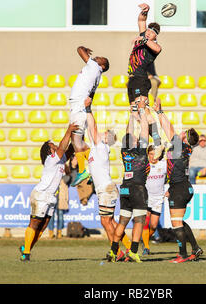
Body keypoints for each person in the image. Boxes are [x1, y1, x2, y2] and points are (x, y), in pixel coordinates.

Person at [153, 98, 203, 263]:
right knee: (179, 221)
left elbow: (168, 128)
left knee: (176, 224)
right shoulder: (183, 148)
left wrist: (160, 112)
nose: (181, 133)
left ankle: (182, 255)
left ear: (186, 138)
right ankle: (195, 249)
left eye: (184, 133)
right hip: (182, 187)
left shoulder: (180, 146)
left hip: (180, 188)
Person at [19, 123, 77, 261]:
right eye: (52, 145)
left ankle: (25, 249)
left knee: (42, 227)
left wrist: (78, 134)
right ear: (49, 151)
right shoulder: (50, 159)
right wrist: (69, 130)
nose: (55, 145)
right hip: (41, 194)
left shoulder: (60, 159)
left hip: (50, 196)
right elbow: (63, 147)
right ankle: (26, 253)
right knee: (34, 223)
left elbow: (70, 148)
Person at [84, 97, 131, 259]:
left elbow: (93, 127)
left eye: (105, 133)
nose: (102, 133)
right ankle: (126, 249)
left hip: (106, 189)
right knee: (109, 222)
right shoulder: (97, 148)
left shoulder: (101, 146)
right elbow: (92, 131)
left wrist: (88, 110)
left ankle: (117, 251)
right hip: (105, 189)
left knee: (106, 222)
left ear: (107, 138)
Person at [107, 100, 150, 263]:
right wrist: (142, 110)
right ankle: (132, 251)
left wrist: (132, 114)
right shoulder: (141, 151)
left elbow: (129, 131)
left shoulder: (125, 151)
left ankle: (113, 251)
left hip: (125, 187)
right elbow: (144, 129)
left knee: (123, 220)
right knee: (139, 220)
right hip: (137, 188)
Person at [69, 45, 110, 187]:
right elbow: (91, 95)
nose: (97, 57)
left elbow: (78, 49)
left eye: (101, 59)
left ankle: (83, 170)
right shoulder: (97, 76)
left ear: (102, 66)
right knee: (78, 141)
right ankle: (93, 169)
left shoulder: (94, 67)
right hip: (80, 105)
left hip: (78, 105)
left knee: (75, 140)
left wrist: (85, 49)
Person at [127, 3, 163, 159]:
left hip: (141, 80)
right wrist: (145, 11)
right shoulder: (143, 34)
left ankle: (157, 142)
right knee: (136, 114)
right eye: (148, 30)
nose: (148, 32)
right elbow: (141, 20)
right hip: (132, 80)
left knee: (144, 111)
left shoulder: (151, 44)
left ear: (155, 36)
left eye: (152, 32)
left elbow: (158, 49)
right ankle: (151, 142)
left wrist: (143, 40)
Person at [142, 144, 167, 255]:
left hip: (158, 198)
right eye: (150, 154)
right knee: (146, 222)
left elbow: (173, 176)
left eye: (154, 154)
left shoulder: (163, 165)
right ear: (147, 155)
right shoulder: (145, 166)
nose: (152, 157)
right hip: (146, 197)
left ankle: (145, 239)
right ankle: (146, 247)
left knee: (154, 225)